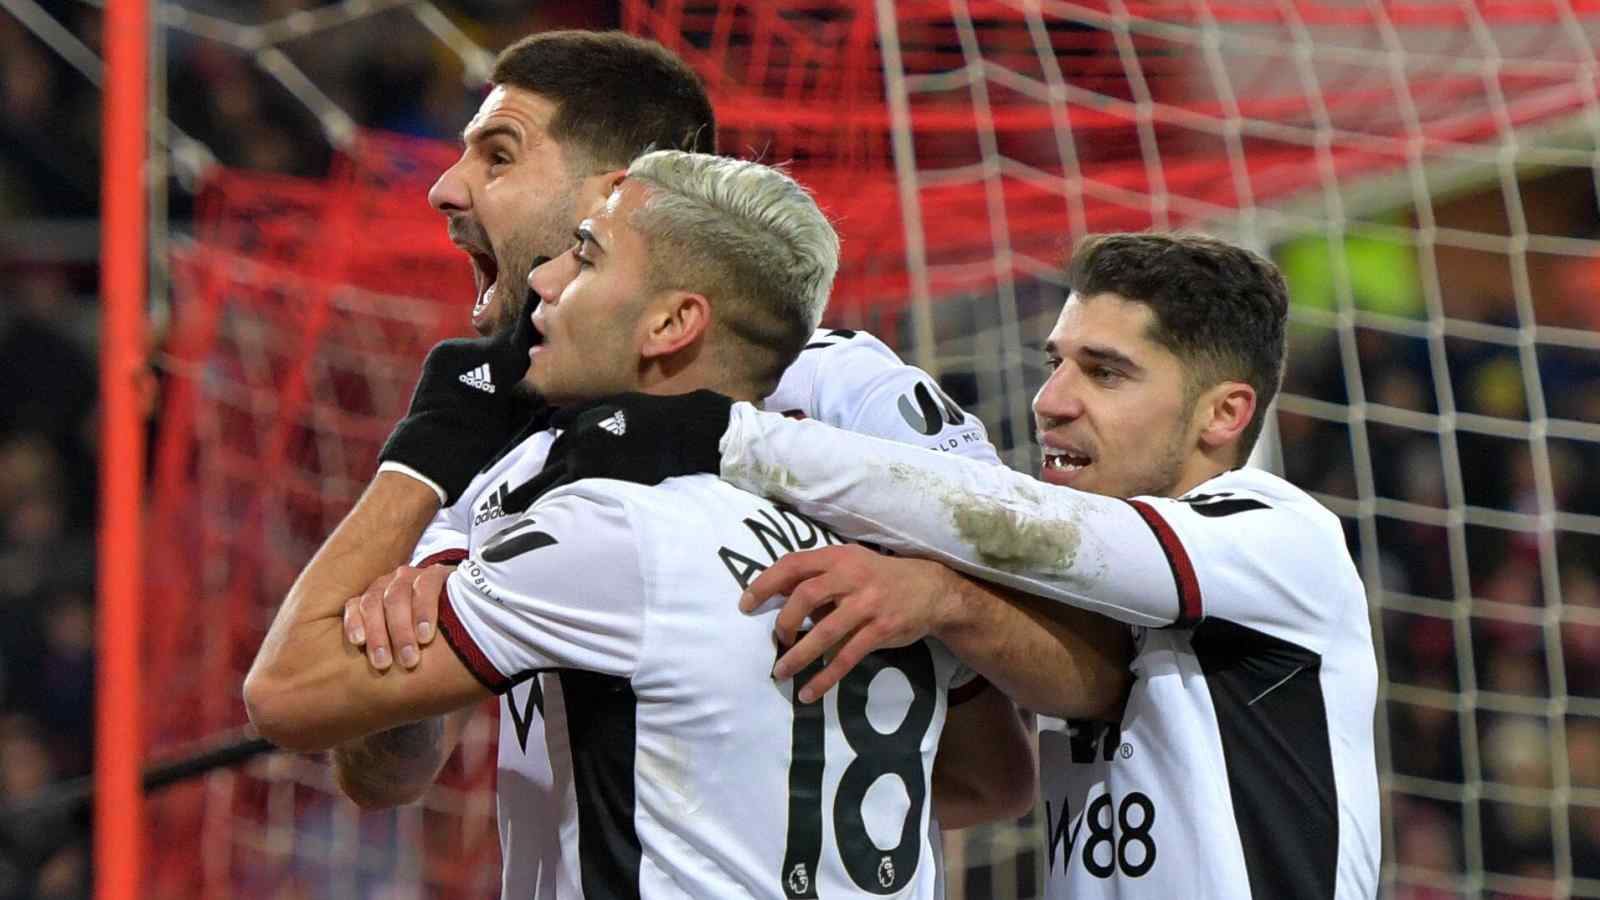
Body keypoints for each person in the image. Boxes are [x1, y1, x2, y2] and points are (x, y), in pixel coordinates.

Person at [245, 150, 1050, 898]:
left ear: (671, 324)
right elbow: (993, 779)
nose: (546, 280)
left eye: (586, 255)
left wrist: (424, 453)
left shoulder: (614, 529)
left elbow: (285, 691)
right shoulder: (876, 544)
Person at [528, 232, 1382, 898]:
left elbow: (1028, 528)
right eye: (1057, 363)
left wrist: (731, 435)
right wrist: (941, 597)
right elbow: (1042, 699)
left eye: (1105, 373)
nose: (1051, 402)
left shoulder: (1279, 538)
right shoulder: (1114, 603)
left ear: (1224, 414)